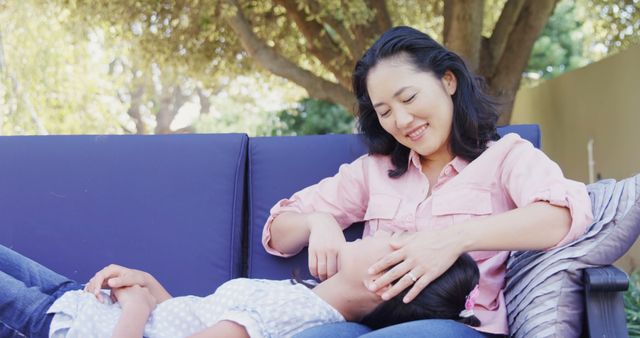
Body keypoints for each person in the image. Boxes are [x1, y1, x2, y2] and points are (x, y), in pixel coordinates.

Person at [263, 26, 593, 337]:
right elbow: (278, 231)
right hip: (371, 324)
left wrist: (453, 241)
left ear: (448, 81)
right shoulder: (372, 171)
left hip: (461, 325)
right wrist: (317, 222)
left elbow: (562, 216)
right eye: (384, 111)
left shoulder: (506, 157)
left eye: (408, 98)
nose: (402, 120)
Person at [0, 231, 481, 338]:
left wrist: (135, 306)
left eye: (396, 243)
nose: (385, 232)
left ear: (383, 282)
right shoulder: (301, 297)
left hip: (66, 327)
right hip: (78, 301)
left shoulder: (289, 319)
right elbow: (192, 317)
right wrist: (145, 284)